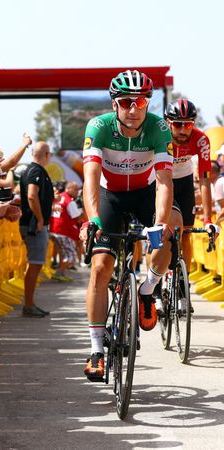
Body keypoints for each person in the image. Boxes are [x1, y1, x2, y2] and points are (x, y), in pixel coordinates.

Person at [81, 70, 179, 381]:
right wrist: (94, 219)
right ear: (115, 104)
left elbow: (164, 181)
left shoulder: (158, 128)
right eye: (126, 102)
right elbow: (90, 179)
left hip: (145, 193)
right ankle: (96, 349)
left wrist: (160, 223)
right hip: (110, 196)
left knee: (169, 232)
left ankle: (147, 290)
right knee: (100, 268)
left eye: (141, 102)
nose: (134, 109)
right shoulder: (98, 127)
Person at [164, 99, 217, 273]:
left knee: (186, 233)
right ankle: (155, 283)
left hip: (184, 182)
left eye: (188, 125)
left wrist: (208, 220)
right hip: (162, 182)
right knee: (161, 235)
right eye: (177, 124)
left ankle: (182, 278)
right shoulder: (160, 136)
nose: (182, 130)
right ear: (168, 123)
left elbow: (205, 180)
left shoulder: (201, 139)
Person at [19, 141, 54, 318]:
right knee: (34, 264)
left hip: (33, 224)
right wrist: (40, 219)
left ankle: (30, 304)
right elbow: (32, 196)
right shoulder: (36, 171)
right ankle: (29, 305)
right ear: (46, 155)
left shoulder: (31, 170)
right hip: (34, 225)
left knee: (35, 264)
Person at [49, 181, 83, 281]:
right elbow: (77, 217)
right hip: (62, 231)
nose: (77, 191)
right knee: (71, 255)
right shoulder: (69, 201)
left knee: (63, 253)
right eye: (75, 189)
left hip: (53, 229)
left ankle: (61, 273)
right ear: (68, 189)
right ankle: (59, 273)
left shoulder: (58, 197)